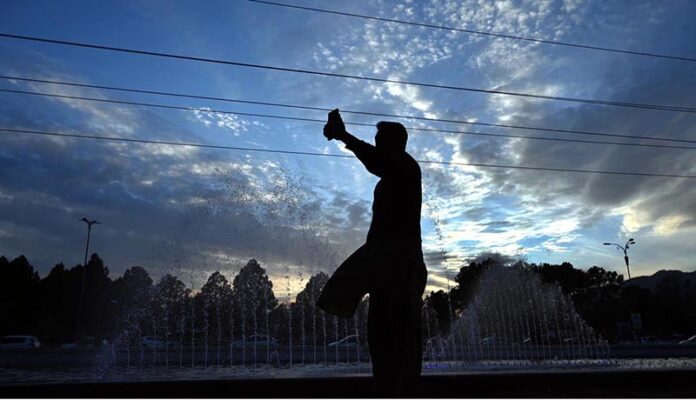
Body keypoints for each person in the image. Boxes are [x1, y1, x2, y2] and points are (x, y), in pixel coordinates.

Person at [317, 109, 427, 396]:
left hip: (400, 263)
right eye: (375, 141)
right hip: (384, 262)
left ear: (395, 144)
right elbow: (378, 162)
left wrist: (343, 136)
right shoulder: (393, 175)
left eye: (379, 140)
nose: (376, 145)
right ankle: (386, 388)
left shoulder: (405, 167)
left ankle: (400, 390)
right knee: (380, 336)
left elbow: (377, 161)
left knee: (400, 337)